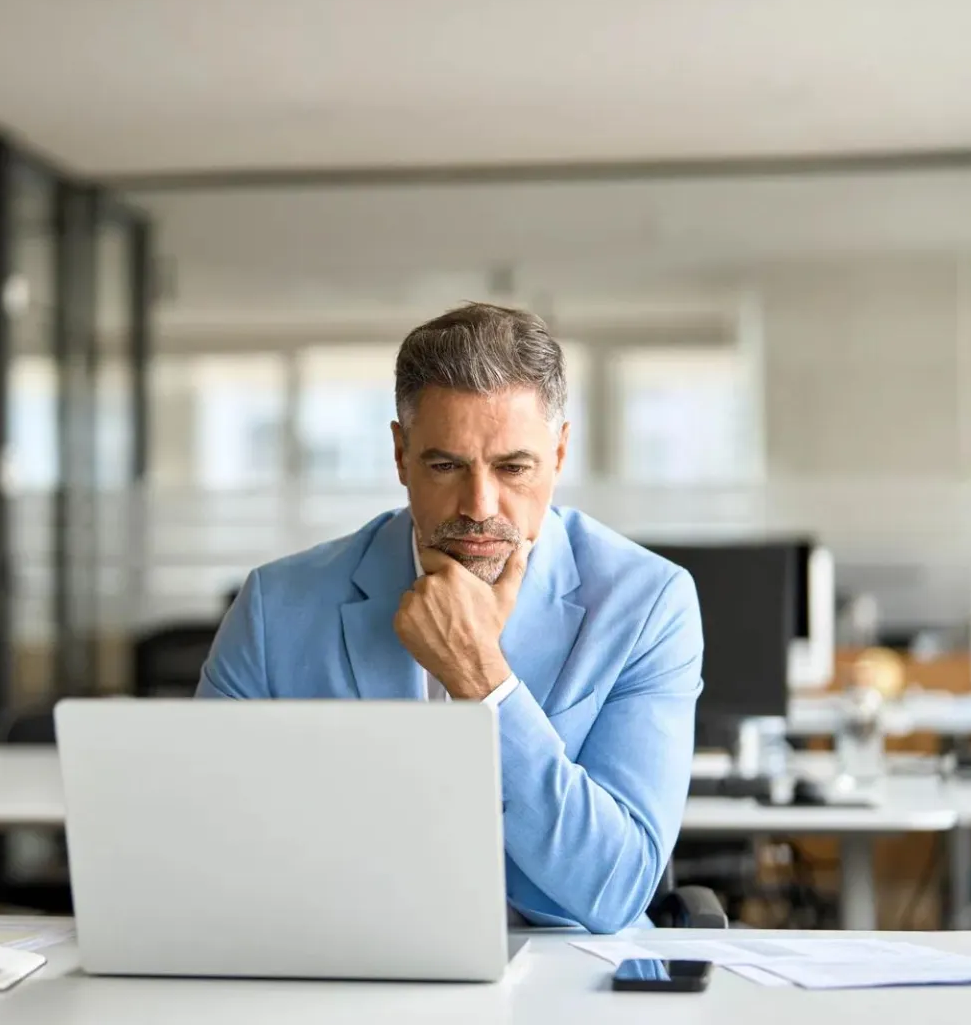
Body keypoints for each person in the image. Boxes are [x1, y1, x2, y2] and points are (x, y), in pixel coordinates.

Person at [197, 302, 702, 934]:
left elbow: (615, 888)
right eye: (445, 466)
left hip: (561, 972)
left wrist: (482, 680)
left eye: (514, 467)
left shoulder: (647, 605)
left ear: (561, 453)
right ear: (401, 454)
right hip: (337, 958)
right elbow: (205, 846)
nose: (479, 505)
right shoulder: (277, 606)